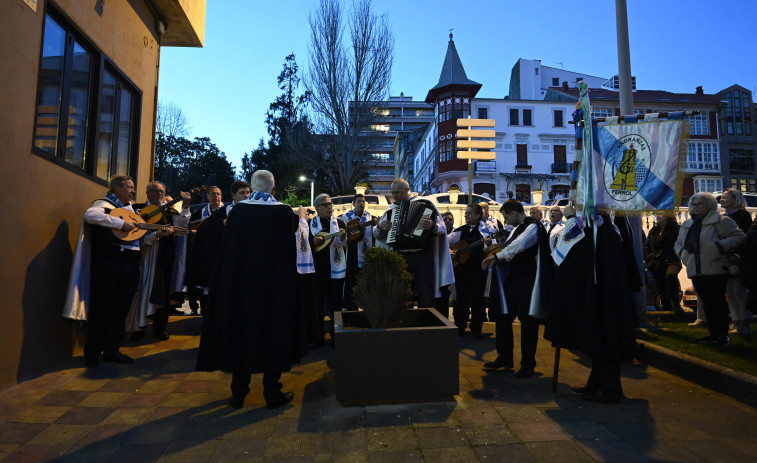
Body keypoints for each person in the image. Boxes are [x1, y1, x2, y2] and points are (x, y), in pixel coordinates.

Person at [196, 170, 306, 409]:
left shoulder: (237, 212)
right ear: (273, 189)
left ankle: (238, 393)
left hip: (240, 288)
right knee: (273, 334)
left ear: (252, 188)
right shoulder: (284, 212)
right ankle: (271, 392)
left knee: (241, 334)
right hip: (274, 289)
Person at [545, 212, 638, 403]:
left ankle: (610, 389)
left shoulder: (597, 227)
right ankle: (596, 381)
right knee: (597, 339)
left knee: (608, 337)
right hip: (595, 292)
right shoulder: (591, 226)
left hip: (605, 293)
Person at [63, 175, 141, 367]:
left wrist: (153, 235)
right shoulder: (103, 204)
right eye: (129, 187)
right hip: (109, 265)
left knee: (120, 310)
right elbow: (90, 215)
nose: (133, 191)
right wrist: (120, 223)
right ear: (116, 188)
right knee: (102, 309)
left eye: (133, 187)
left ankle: (112, 350)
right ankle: (92, 353)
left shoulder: (131, 210)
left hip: (129, 264)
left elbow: (136, 237)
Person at [482, 200, 552, 378]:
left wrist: (497, 256)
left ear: (514, 213)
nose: (505, 221)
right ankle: (505, 357)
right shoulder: (516, 228)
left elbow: (518, 246)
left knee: (528, 323)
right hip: (513, 280)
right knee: (503, 317)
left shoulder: (533, 227)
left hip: (527, 282)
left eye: (505, 217)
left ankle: (528, 364)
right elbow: (510, 245)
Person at [675, 192, 745, 347]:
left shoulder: (721, 221)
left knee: (717, 302)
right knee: (707, 302)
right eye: (693, 204)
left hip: (715, 268)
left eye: (700, 204)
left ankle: (722, 334)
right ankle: (714, 333)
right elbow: (678, 243)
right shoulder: (687, 224)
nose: (696, 207)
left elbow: (739, 236)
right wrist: (683, 255)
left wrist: (720, 246)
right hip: (695, 268)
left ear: (710, 205)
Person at [373, 179, 454, 308]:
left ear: (406, 190)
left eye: (397, 193)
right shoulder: (391, 209)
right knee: (403, 295)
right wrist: (380, 226)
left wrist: (433, 226)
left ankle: (426, 324)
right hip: (400, 257)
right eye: (393, 193)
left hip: (423, 257)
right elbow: (377, 235)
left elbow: (442, 228)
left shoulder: (425, 204)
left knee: (425, 295)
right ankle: (406, 325)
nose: (394, 196)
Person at [128, 182, 191, 340]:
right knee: (141, 290)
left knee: (163, 291)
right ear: (147, 192)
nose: (159, 194)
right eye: (155, 191)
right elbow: (135, 234)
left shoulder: (171, 210)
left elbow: (181, 225)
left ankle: (160, 328)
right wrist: (155, 235)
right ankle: (138, 328)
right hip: (144, 255)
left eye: (161, 191)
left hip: (164, 256)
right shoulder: (138, 210)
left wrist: (186, 206)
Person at [185, 182, 250, 316]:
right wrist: (222, 224)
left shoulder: (252, 212)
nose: (246, 195)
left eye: (248, 192)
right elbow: (203, 229)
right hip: (221, 261)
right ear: (233, 195)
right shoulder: (223, 212)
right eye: (242, 193)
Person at [448, 204, 494, 337]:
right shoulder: (460, 230)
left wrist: (490, 243)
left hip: (479, 271)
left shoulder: (487, 230)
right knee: (460, 299)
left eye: (469, 213)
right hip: (461, 271)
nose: (465, 215)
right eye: (466, 212)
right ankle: (460, 327)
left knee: (477, 300)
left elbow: (496, 245)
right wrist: (450, 251)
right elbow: (444, 241)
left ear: (477, 216)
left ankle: (476, 329)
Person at [310, 193, 347, 342]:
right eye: (325, 204)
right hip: (316, 271)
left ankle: (336, 336)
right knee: (316, 305)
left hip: (335, 270)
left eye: (330, 204)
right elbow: (303, 246)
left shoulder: (340, 223)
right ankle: (317, 337)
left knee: (336, 304)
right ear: (317, 208)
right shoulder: (308, 224)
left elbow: (346, 245)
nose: (330, 207)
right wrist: (312, 241)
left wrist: (344, 239)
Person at [720, 188, 753, 334]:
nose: (721, 200)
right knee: (731, 293)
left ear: (735, 199)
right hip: (726, 258)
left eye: (724, 198)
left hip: (738, 258)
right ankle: (736, 322)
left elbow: (744, 237)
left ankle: (745, 323)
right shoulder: (724, 216)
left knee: (740, 292)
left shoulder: (743, 215)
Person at [339, 194, 373, 310]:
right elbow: (343, 234)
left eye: (363, 201)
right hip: (352, 252)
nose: (362, 204)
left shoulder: (369, 217)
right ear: (353, 203)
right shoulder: (346, 217)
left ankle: (365, 304)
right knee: (352, 279)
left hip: (366, 252)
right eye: (359, 201)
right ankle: (351, 305)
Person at [644, 213, 684, 314]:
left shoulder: (677, 229)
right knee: (661, 286)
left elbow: (682, 243)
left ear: (669, 215)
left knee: (671, 276)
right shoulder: (654, 230)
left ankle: (676, 305)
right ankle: (667, 310)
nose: (658, 216)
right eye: (657, 214)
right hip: (656, 262)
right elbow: (647, 245)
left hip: (672, 259)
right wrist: (649, 256)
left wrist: (676, 254)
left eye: (662, 214)